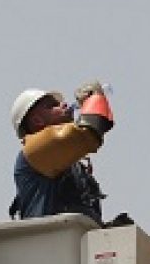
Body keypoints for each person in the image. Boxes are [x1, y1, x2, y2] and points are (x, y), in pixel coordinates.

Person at [8, 82, 114, 223]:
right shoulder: (35, 151)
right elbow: (90, 131)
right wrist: (94, 99)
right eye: (52, 106)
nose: (63, 105)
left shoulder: (71, 164)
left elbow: (96, 127)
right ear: (37, 120)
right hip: (49, 239)